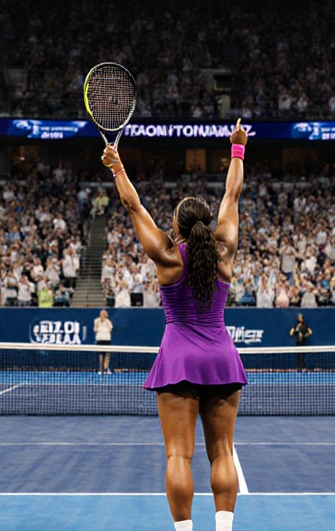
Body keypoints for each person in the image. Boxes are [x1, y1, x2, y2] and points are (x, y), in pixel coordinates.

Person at [103, 119, 248, 531]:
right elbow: (232, 194)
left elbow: (134, 207)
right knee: (223, 452)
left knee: (178, 455)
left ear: (178, 227)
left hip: (179, 360)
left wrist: (117, 167)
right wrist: (237, 149)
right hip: (221, 357)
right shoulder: (225, 250)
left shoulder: (167, 256)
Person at [94, 309, 114, 375]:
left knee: (107, 354)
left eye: (104, 314)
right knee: (101, 354)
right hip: (100, 339)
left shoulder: (108, 322)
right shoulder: (96, 321)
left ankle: (105, 368)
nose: (103, 315)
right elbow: (95, 329)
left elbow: (111, 329)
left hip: (107, 339)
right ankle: (101, 369)